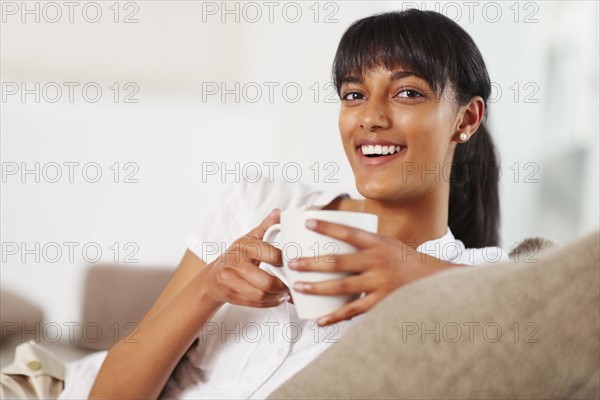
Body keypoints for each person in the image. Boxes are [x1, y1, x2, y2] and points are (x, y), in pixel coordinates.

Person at [1, 9, 506, 399]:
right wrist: (209, 286)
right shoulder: (261, 203)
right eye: (353, 94)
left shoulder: (478, 280)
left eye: (408, 93)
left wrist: (419, 276)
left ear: (466, 119)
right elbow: (109, 393)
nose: (370, 117)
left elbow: (575, 307)